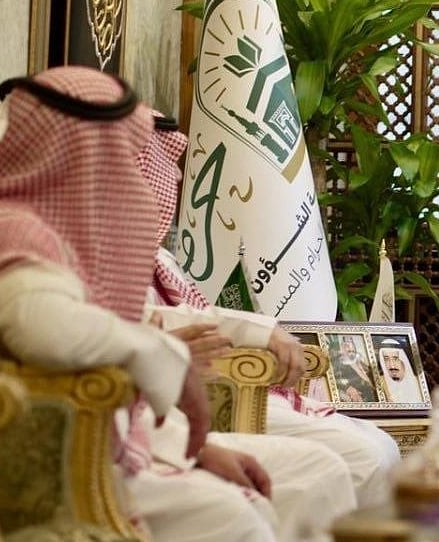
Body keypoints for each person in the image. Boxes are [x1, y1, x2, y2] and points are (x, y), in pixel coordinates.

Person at [0, 67, 353, 542]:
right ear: (79, 156)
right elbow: (41, 326)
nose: (132, 175)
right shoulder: (9, 231)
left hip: (113, 442)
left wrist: (190, 448)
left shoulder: (52, 235)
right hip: (49, 467)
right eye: (121, 154)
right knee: (235, 519)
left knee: (305, 479)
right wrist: (163, 355)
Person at [139, 113, 401, 507]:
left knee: (382, 447)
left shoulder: (154, 257)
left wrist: (264, 331)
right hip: (171, 399)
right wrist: (170, 350)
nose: (173, 177)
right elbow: (143, 328)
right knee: (360, 458)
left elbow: (186, 316)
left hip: (201, 384)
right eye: (159, 163)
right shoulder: (89, 256)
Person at [377, 338, 424, 403]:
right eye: (386, 359)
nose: (392, 365)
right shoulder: (380, 382)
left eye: (395, 359)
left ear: (403, 359)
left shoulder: (418, 382)